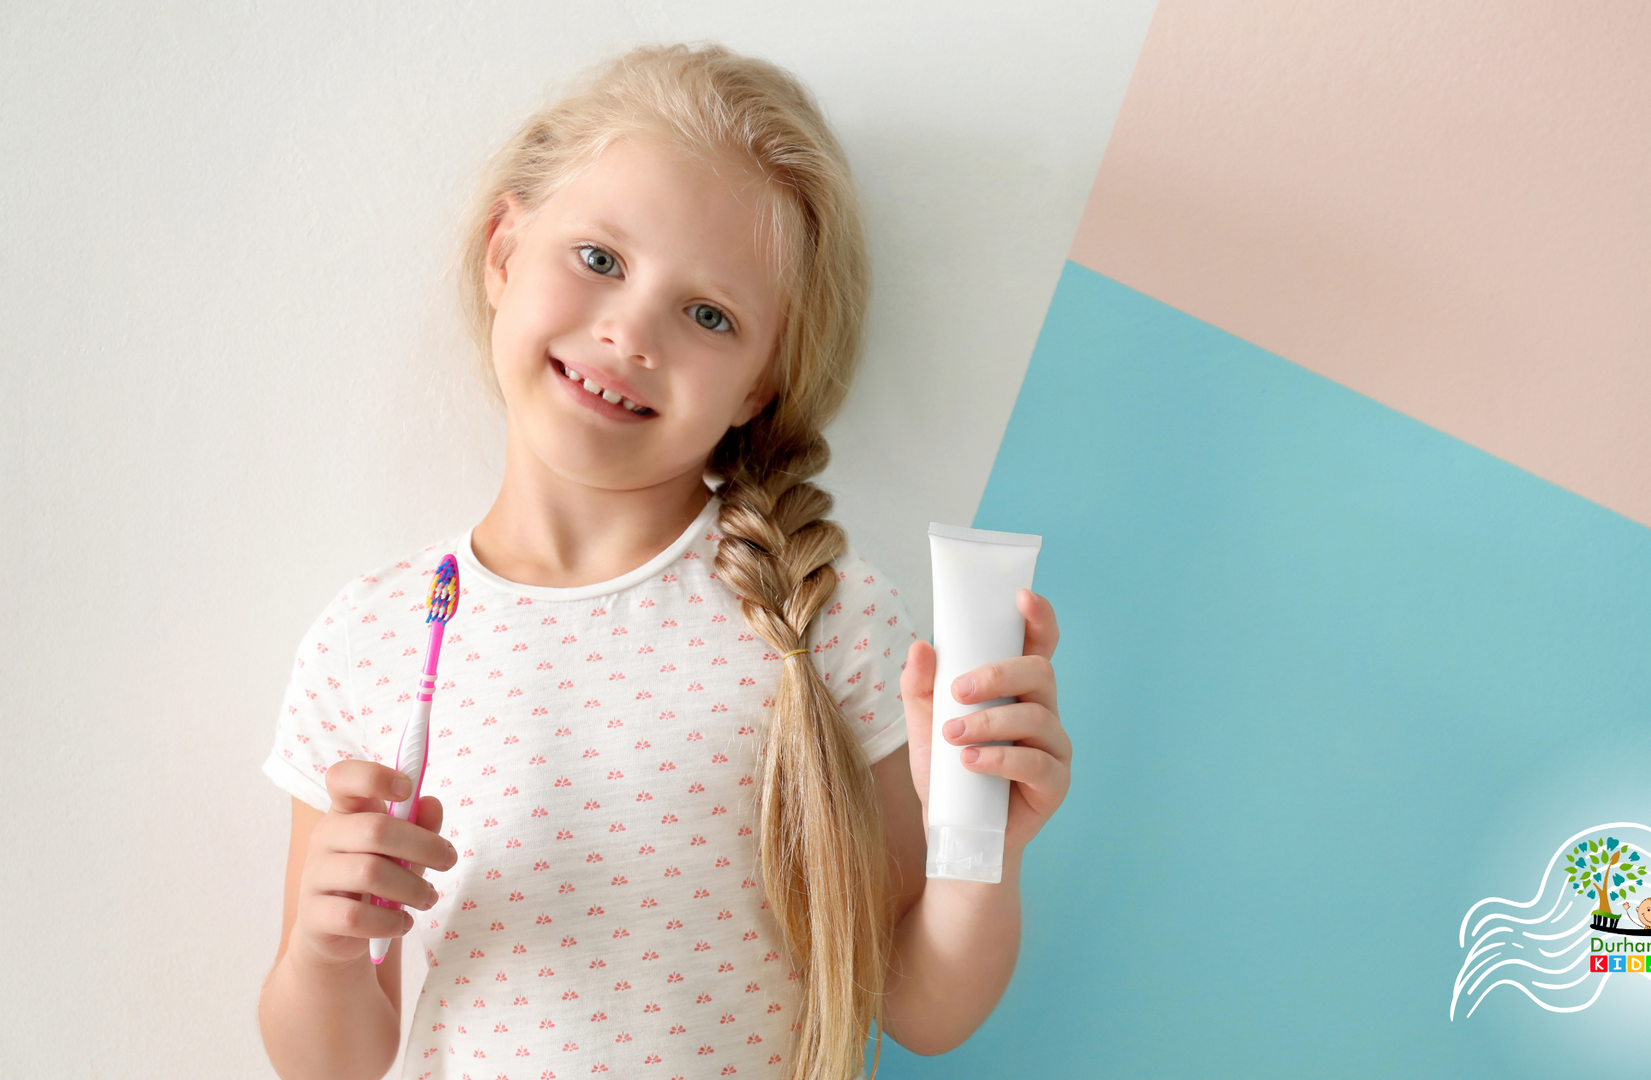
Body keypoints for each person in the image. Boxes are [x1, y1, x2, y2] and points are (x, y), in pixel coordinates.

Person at [254, 44, 1072, 1080]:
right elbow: (330, 1063)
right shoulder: (369, 640)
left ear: (759, 388)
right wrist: (325, 949)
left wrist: (984, 856)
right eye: (599, 259)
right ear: (505, 248)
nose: (631, 332)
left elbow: (918, 1004)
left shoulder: (823, 621)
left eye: (709, 315)